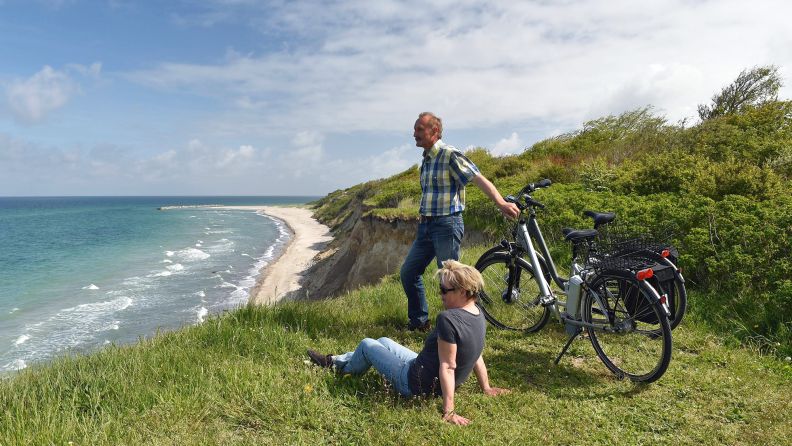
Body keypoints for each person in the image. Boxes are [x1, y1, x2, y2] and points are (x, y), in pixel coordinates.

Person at [307, 260, 510, 426]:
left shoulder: (448, 319)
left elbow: (448, 367)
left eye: (444, 290)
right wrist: (486, 387)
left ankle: (340, 368)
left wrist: (449, 411)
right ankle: (336, 360)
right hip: (424, 369)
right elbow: (476, 353)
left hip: (414, 383)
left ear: (464, 292)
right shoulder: (478, 314)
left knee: (368, 344)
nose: (440, 295)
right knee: (384, 341)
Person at [401, 112, 520, 331]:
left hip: (446, 225)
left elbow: (477, 178)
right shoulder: (427, 159)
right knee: (409, 272)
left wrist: (500, 202)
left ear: (434, 131)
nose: (414, 133)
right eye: (415, 129)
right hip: (426, 226)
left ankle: (458, 327)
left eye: (419, 129)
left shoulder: (449, 154)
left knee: (450, 280)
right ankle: (419, 322)